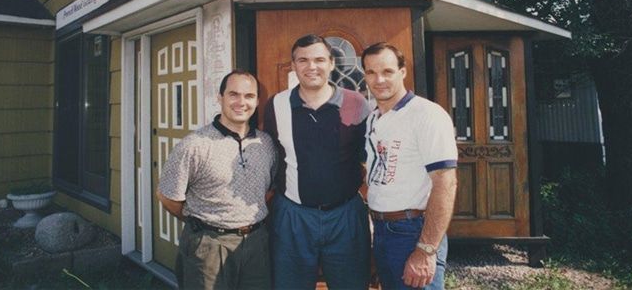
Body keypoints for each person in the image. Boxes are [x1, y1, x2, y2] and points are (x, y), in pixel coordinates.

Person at [263, 34, 371, 289]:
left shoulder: (357, 103)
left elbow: (369, 157)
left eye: (319, 59)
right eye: (303, 60)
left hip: (345, 215)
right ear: (293, 65)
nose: (312, 67)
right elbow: (269, 156)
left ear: (332, 63)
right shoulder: (276, 105)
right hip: (293, 215)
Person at [157, 70, 277, 290]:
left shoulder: (266, 144)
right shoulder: (194, 145)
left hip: (257, 245)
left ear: (257, 100)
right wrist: (203, 222)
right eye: (233, 94)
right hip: (209, 248)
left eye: (249, 96)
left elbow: (268, 191)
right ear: (220, 97)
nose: (241, 102)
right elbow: (167, 197)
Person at [361, 42, 458, 290]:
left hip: (413, 231)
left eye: (387, 71)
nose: (379, 79)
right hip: (383, 231)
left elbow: (445, 183)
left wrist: (426, 250)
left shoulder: (426, 114)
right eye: (371, 72)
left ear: (403, 72)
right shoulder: (374, 118)